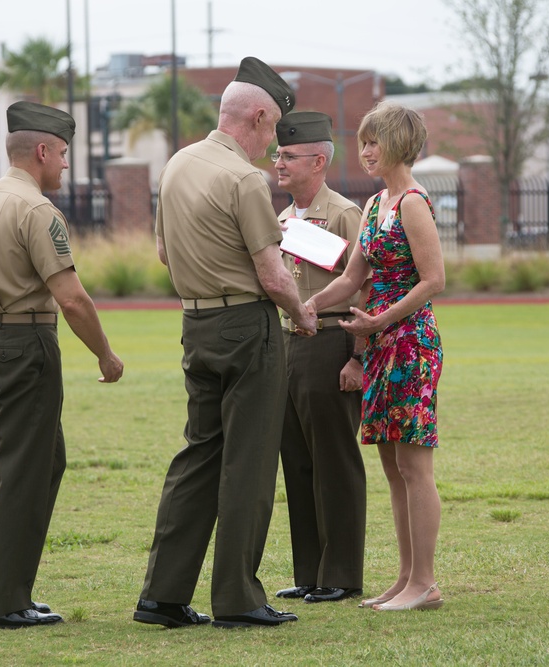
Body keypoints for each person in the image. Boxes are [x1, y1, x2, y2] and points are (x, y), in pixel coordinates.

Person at [133, 56, 316, 630]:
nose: (272, 144)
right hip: (247, 327)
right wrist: (302, 314)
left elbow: (164, 253)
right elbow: (271, 274)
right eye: (273, 131)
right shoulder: (242, 178)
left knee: (198, 457)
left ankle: (162, 596)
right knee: (250, 464)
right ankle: (237, 597)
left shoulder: (178, 165)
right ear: (259, 115)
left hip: (195, 325)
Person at [0, 100, 125, 631]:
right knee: (21, 472)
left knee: (43, 461)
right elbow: (71, 298)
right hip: (23, 344)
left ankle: (12, 593)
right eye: (65, 154)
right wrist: (105, 353)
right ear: (44, 151)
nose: (67, 165)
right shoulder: (37, 212)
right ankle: (2, 603)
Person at [304, 101, 445, 612]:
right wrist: (309, 304)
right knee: (392, 467)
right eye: (363, 141)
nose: (365, 151)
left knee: (414, 466)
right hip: (382, 342)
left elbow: (434, 280)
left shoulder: (412, 201)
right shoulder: (373, 205)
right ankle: (406, 579)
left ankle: (425, 583)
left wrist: (379, 323)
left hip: (410, 344)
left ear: (399, 145)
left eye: (374, 141)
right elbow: (351, 279)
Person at [270, 111, 368, 605]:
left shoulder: (345, 215)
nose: (278, 163)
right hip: (289, 344)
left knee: (335, 461)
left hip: (333, 341)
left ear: (318, 160)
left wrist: (358, 358)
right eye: (278, 154)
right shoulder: (283, 219)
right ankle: (310, 571)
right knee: (299, 462)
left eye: (288, 156)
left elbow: (365, 289)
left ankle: (343, 574)